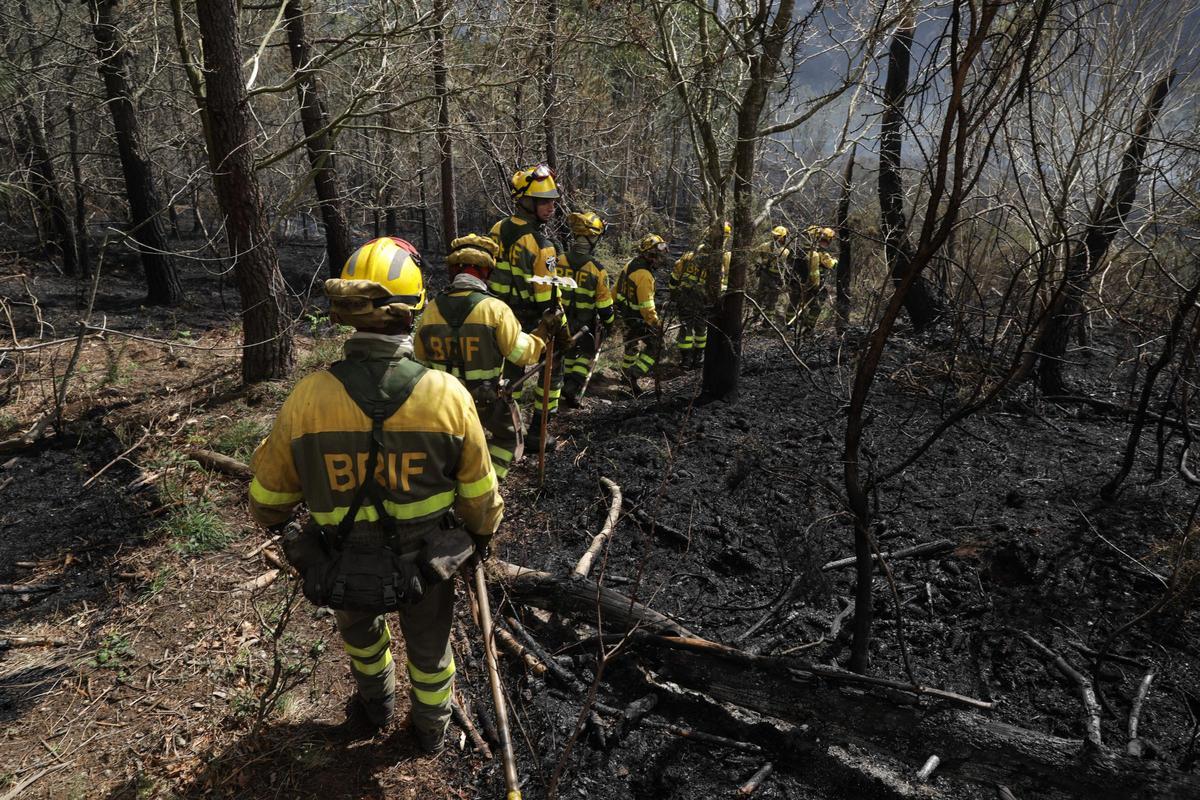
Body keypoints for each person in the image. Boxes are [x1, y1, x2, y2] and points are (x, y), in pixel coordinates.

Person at [248, 236, 503, 754]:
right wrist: (481, 536)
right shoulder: (446, 396)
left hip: (341, 562)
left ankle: (374, 707)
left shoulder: (308, 397)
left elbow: (268, 501)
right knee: (431, 655)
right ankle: (429, 733)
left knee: (363, 642)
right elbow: (480, 496)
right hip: (427, 565)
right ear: (411, 310)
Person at [413, 233, 565, 480]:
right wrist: (543, 332)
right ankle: (488, 482)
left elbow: (420, 356)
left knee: (449, 446)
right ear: (487, 271)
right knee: (509, 437)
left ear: (453, 270)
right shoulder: (495, 309)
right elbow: (522, 354)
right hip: (486, 402)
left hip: (440, 403)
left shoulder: (431, 310)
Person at [488, 164, 567, 416]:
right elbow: (548, 300)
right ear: (524, 201)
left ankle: (506, 419)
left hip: (497, 314)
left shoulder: (497, 229)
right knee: (553, 367)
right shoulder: (542, 245)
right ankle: (540, 424)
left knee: (508, 373)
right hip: (530, 320)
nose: (551, 208)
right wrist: (562, 329)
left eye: (553, 202)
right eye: (543, 201)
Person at [558, 211, 614, 406]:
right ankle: (572, 387)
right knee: (586, 355)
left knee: (568, 354)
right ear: (592, 238)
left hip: (560, 321)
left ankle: (564, 387)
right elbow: (604, 303)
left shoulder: (558, 260)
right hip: (585, 324)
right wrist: (609, 322)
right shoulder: (596, 269)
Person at [615, 234, 668, 395]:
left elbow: (615, 289)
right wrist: (656, 324)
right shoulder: (645, 276)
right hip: (639, 319)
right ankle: (634, 374)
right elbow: (647, 307)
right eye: (659, 256)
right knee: (658, 346)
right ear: (651, 255)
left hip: (625, 316)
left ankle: (624, 375)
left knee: (632, 346)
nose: (661, 259)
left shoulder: (630, 265)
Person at [791, 225, 837, 335]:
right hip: (815, 284)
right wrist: (835, 261)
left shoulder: (801, 250)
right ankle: (809, 329)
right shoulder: (820, 253)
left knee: (799, 304)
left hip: (801, 282)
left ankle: (794, 326)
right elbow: (831, 265)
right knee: (817, 306)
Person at [754, 225, 791, 325]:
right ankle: (755, 318)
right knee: (761, 298)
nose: (776, 238)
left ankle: (766, 322)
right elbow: (755, 255)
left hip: (776, 278)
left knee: (771, 301)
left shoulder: (786, 251)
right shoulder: (766, 246)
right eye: (775, 236)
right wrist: (760, 263)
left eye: (778, 236)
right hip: (766, 275)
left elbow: (788, 267)